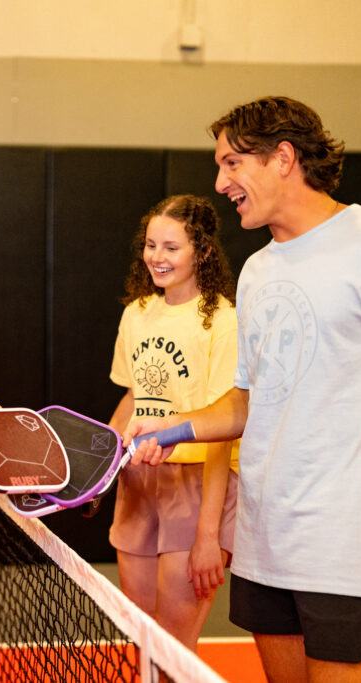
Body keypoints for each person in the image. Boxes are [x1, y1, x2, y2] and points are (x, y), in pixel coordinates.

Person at [127, 96, 361, 682]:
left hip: (343, 551)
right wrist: (171, 429)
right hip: (263, 543)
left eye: (231, 164)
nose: (220, 183)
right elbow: (248, 400)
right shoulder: (258, 271)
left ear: (282, 157)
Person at [107, 195, 239, 652]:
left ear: (201, 251)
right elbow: (132, 398)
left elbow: (224, 430)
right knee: (144, 643)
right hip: (139, 482)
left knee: (174, 649)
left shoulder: (224, 322)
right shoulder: (136, 314)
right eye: (150, 246)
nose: (156, 258)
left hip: (198, 485)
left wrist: (209, 535)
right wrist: (98, 466)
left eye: (171, 247)